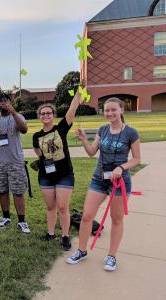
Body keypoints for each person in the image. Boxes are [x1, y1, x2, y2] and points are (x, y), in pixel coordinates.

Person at [66, 97, 140, 271]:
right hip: (99, 180)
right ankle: (81, 251)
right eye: (107, 110)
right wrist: (84, 139)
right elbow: (92, 152)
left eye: (113, 110)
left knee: (116, 219)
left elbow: (137, 159)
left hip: (119, 182)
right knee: (86, 216)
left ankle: (111, 256)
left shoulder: (131, 133)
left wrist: (121, 167)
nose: (110, 113)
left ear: (121, 110)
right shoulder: (103, 130)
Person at [32, 92, 82, 250]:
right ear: (39, 116)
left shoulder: (61, 128)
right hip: (46, 176)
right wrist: (41, 161)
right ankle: (51, 233)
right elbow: (38, 153)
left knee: (62, 206)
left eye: (49, 113)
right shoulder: (36, 136)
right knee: (50, 207)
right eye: (43, 113)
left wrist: (80, 91)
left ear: (53, 115)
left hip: (64, 174)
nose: (46, 115)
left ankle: (65, 236)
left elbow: (72, 108)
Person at [0, 93, 31, 233]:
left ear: (10, 102)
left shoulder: (18, 116)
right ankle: (6, 217)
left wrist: (14, 112)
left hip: (15, 161)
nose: (2, 103)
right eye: (0, 101)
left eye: (5, 101)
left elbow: (24, 130)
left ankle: (22, 221)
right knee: (2, 191)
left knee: (18, 192)